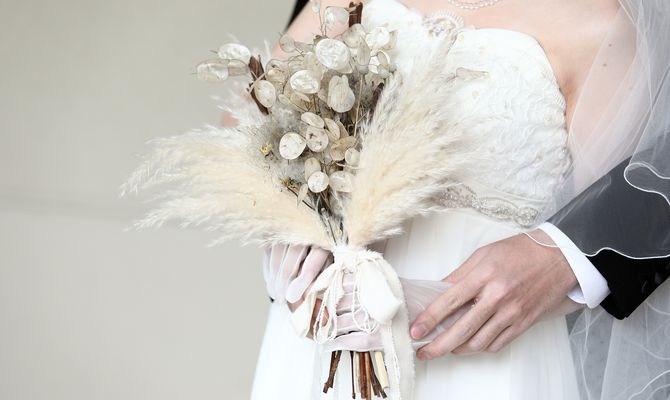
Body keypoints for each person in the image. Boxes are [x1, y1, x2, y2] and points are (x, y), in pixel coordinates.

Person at [252, 0, 670, 399]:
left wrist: (554, 262)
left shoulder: (597, 23)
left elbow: (610, 224)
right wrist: (285, 215)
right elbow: (255, 118)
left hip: (484, 348)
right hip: (322, 325)